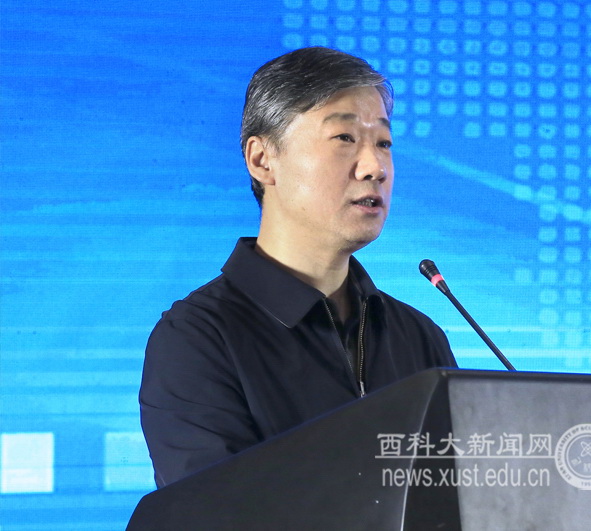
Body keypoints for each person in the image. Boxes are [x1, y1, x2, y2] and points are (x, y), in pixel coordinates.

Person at [139, 47, 457, 488]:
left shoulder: (420, 338)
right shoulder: (198, 339)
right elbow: (214, 511)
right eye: (344, 138)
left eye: (383, 143)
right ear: (262, 160)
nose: (375, 167)